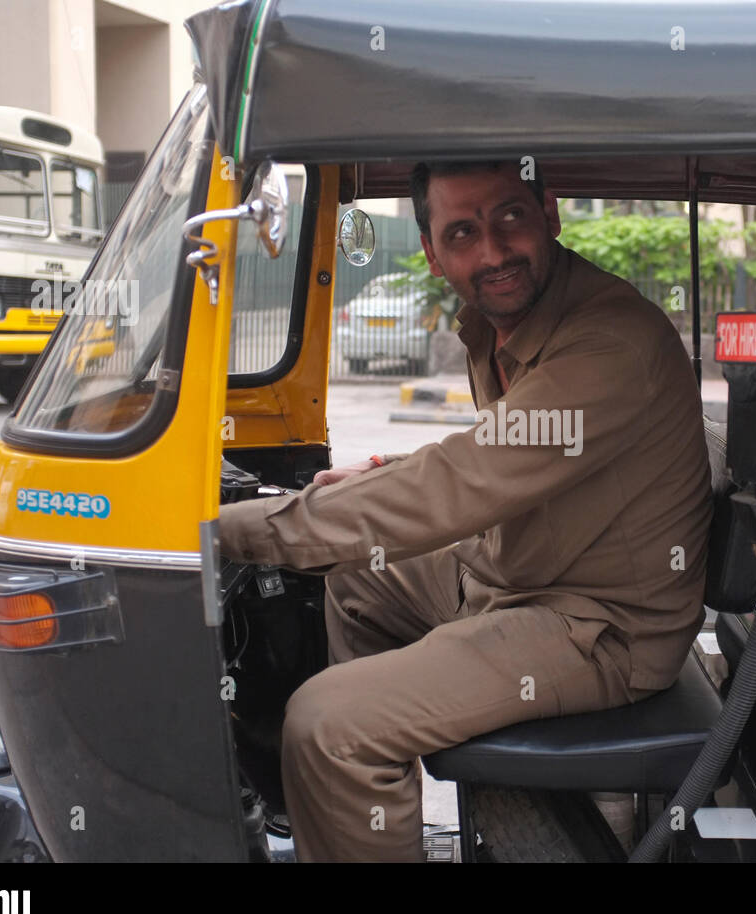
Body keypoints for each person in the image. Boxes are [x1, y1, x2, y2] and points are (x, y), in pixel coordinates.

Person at [217, 159, 711, 861]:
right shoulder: (505, 321)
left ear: (550, 211)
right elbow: (485, 460)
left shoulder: (608, 342)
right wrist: (377, 478)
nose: (492, 251)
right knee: (358, 578)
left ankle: (355, 763)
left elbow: (459, 481)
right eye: (462, 231)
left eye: (510, 216)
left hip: (598, 626)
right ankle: (375, 818)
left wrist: (225, 531)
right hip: (524, 570)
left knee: (326, 726)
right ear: (431, 249)